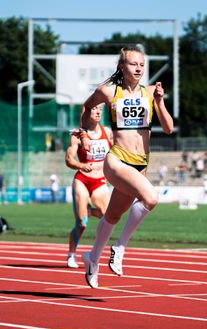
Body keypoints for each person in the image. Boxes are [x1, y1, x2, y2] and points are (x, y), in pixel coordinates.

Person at [79, 45, 174, 288]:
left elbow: (168, 128)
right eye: (133, 64)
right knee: (151, 198)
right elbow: (88, 106)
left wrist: (160, 103)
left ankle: (92, 258)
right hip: (116, 159)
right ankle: (119, 247)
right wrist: (84, 136)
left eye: (142, 64)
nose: (139, 68)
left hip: (140, 163)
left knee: (112, 215)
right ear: (122, 66)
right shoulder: (108, 91)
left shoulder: (151, 92)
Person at [64, 103, 113, 269]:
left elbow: (118, 152)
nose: (98, 111)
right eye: (94, 109)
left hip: (100, 181)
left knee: (107, 217)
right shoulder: (77, 135)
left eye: (100, 109)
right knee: (82, 223)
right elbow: (69, 160)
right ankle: (72, 254)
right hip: (82, 180)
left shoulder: (107, 132)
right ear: (86, 113)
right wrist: (81, 166)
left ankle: (90, 211)